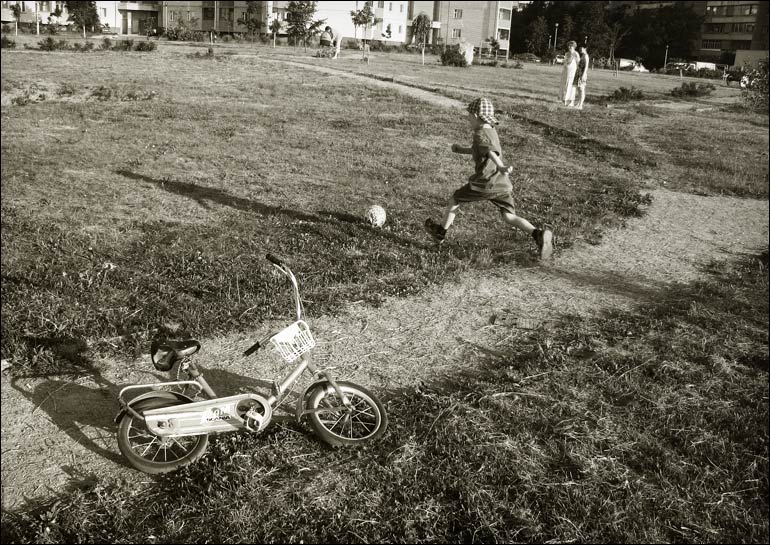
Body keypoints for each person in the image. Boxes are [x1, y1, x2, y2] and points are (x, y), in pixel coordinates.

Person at [424, 98, 554, 260]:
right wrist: (461, 149)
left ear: (475, 116)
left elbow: (490, 152)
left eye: (469, 116)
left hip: (485, 183)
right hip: (501, 183)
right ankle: (538, 234)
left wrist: (501, 166)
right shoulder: (491, 131)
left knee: (456, 199)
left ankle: (440, 233)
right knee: (509, 216)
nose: (468, 120)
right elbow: (481, 150)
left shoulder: (480, 133)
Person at [560, 41, 579, 107]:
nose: (569, 47)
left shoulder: (576, 53)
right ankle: (564, 99)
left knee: (571, 86)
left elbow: (578, 62)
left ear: (574, 47)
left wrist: (573, 56)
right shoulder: (567, 53)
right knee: (565, 85)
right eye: (568, 46)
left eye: (571, 46)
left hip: (573, 72)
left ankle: (571, 101)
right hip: (566, 71)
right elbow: (566, 62)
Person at [574, 45, 589, 110]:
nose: (580, 49)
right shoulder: (582, 55)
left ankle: (581, 105)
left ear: (585, 48)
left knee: (582, 89)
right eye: (580, 48)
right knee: (579, 89)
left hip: (583, 74)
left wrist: (583, 75)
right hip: (579, 73)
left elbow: (586, 66)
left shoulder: (586, 56)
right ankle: (578, 103)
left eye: (581, 48)